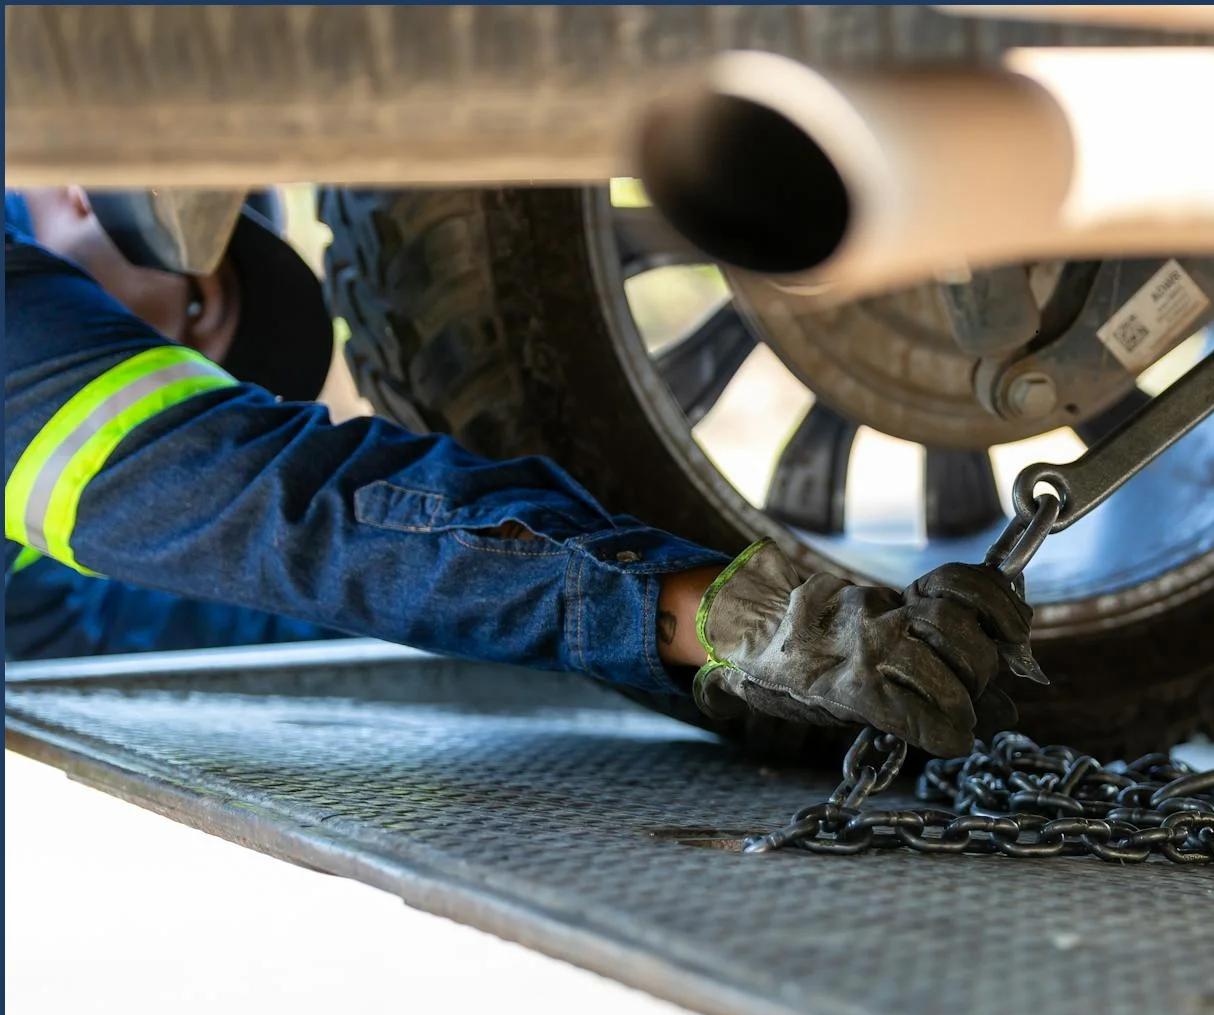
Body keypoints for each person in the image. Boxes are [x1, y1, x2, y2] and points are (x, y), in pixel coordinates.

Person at [4, 187, 1033, 756]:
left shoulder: (44, 580)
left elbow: (303, 579)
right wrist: (700, 618)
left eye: (196, 316)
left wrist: (680, 661)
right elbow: (291, 510)